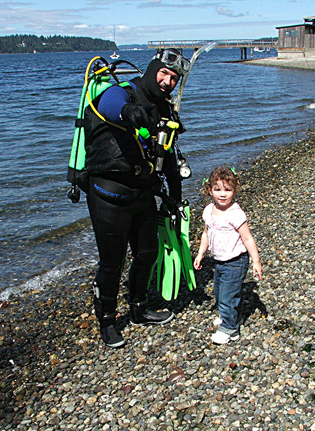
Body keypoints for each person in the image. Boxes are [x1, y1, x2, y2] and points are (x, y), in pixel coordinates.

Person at [83, 48, 190, 348]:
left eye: (174, 78)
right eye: (164, 73)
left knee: (147, 254)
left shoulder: (165, 110)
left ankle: (139, 308)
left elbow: (167, 156)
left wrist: (175, 198)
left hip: (143, 192)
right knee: (111, 262)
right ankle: (107, 321)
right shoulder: (124, 93)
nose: (168, 81)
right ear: (153, 68)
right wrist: (130, 113)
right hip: (108, 192)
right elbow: (109, 103)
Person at [194, 167, 263, 344]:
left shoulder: (235, 213)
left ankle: (230, 329)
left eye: (227, 189)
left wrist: (256, 261)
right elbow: (206, 233)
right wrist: (201, 253)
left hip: (236, 261)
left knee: (227, 296)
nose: (222, 194)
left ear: (235, 190)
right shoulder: (209, 210)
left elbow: (247, 238)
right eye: (217, 189)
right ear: (209, 190)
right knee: (220, 293)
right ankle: (231, 317)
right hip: (219, 261)